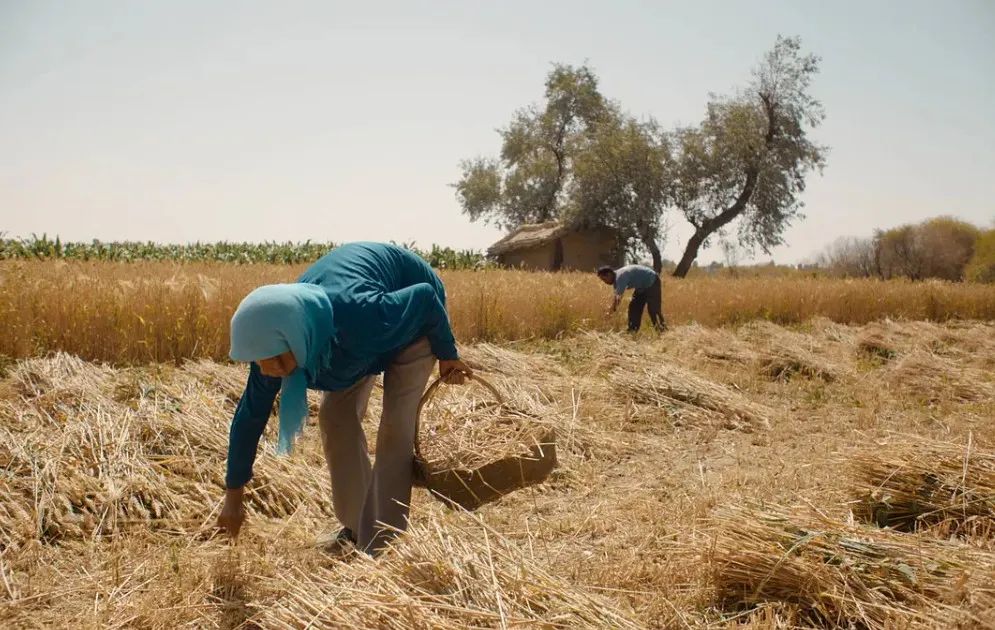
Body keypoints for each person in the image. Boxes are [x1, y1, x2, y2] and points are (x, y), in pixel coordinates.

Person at [216, 242, 472, 555]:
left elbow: (424, 299)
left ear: (295, 335)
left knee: (395, 428)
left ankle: (383, 543)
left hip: (412, 321)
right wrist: (233, 499)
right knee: (335, 417)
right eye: (259, 361)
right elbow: (249, 418)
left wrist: (448, 354)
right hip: (347, 344)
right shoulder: (275, 346)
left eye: (275, 359)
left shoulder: (361, 315)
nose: (270, 370)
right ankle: (357, 527)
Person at [597, 264, 667, 332]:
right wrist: (611, 310)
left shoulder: (620, 277)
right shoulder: (616, 278)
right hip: (641, 287)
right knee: (634, 308)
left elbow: (617, 300)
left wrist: (609, 313)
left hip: (652, 280)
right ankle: (632, 331)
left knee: (653, 310)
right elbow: (616, 297)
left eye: (604, 279)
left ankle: (662, 330)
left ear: (609, 274)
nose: (604, 282)